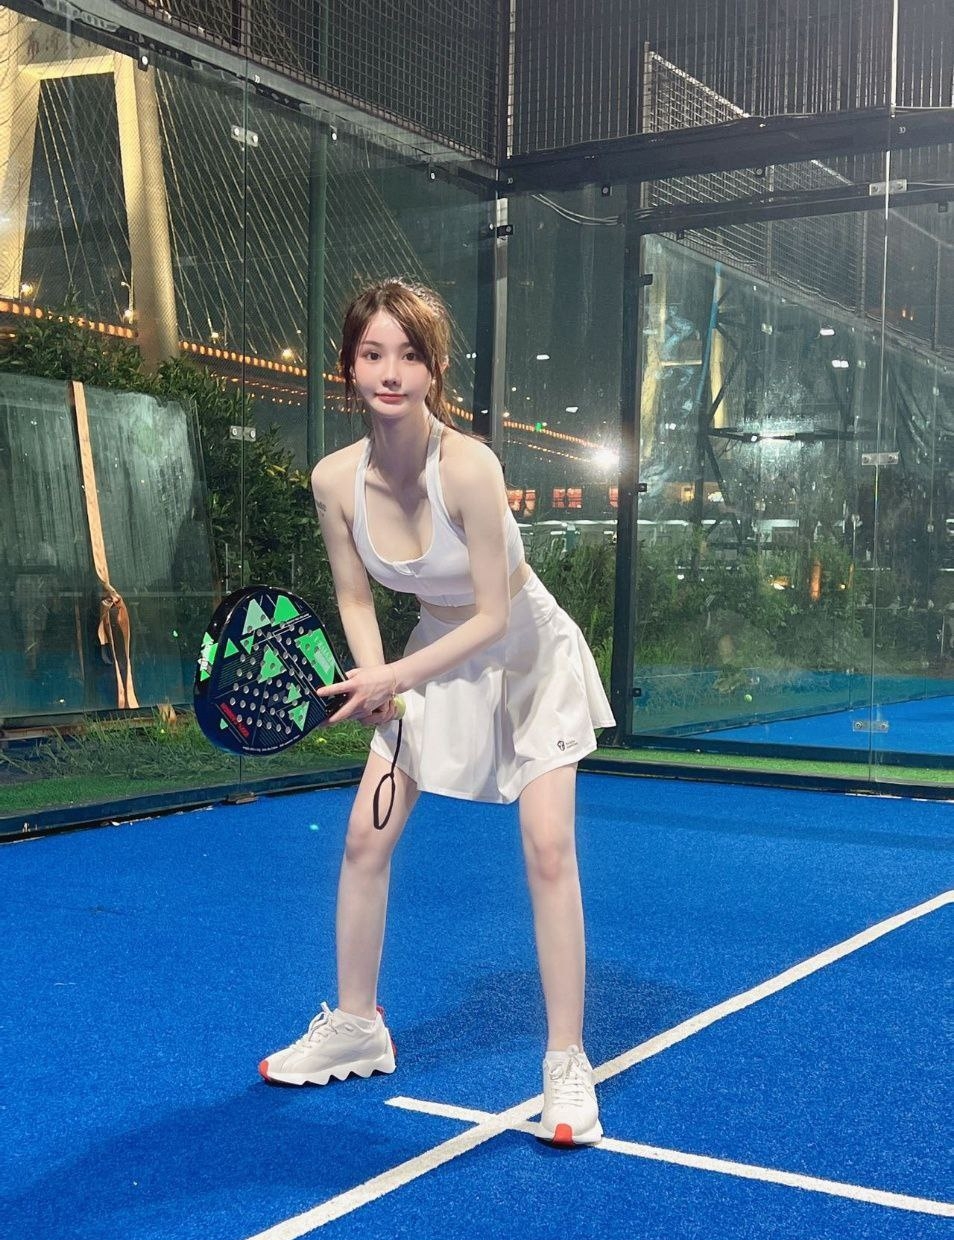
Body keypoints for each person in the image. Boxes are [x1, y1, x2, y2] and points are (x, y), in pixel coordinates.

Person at [258, 278, 615, 1146]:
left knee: (548, 849)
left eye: (409, 355)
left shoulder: (469, 467)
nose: (391, 372)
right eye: (373, 353)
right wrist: (376, 681)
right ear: (349, 366)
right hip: (427, 653)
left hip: (526, 652)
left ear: (434, 370)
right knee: (363, 838)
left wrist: (394, 677)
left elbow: (491, 616)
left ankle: (567, 1061)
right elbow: (354, 595)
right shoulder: (334, 480)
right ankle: (358, 1024)